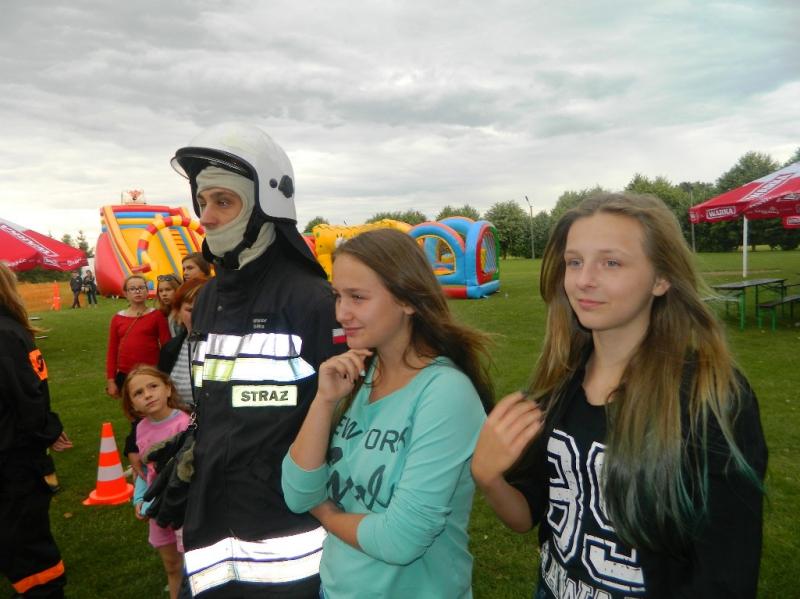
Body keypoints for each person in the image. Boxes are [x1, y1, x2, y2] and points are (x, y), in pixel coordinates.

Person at [471, 192, 767, 599]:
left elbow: (726, 574)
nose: (583, 280)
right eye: (574, 262)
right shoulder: (559, 385)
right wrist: (488, 477)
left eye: (611, 262)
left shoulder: (710, 397)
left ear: (661, 278)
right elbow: (527, 515)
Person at [170, 122, 346, 597]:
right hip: (211, 525)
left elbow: (344, 421)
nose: (206, 218)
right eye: (202, 202)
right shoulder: (207, 300)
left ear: (267, 206)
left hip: (285, 535)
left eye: (223, 202)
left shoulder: (312, 300)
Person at [282, 229, 493, 598]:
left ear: (407, 300)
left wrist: (327, 515)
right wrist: (324, 401)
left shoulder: (445, 394)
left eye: (358, 297)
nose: (341, 313)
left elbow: (400, 540)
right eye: (338, 296)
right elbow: (298, 493)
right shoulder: (357, 377)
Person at [0, 262, 73, 598]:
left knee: (20, 538)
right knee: (22, 540)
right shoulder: (8, 333)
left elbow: (28, 395)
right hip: (14, 454)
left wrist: (46, 428)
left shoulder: (8, 332)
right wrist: (47, 429)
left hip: (13, 452)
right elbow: (28, 396)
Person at [121, 365, 191, 599]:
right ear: (132, 405)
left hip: (183, 508)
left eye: (153, 386)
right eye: (138, 393)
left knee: (192, 566)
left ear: (168, 389)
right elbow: (143, 468)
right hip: (157, 509)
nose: (148, 395)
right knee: (172, 565)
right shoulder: (141, 429)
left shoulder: (185, 424)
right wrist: (139, 498)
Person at [158, 277, 208, 408]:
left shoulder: (231, 347)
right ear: (178, 313)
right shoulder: (169, 350)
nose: (197, 315)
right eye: (190, 310)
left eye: (203, 309)